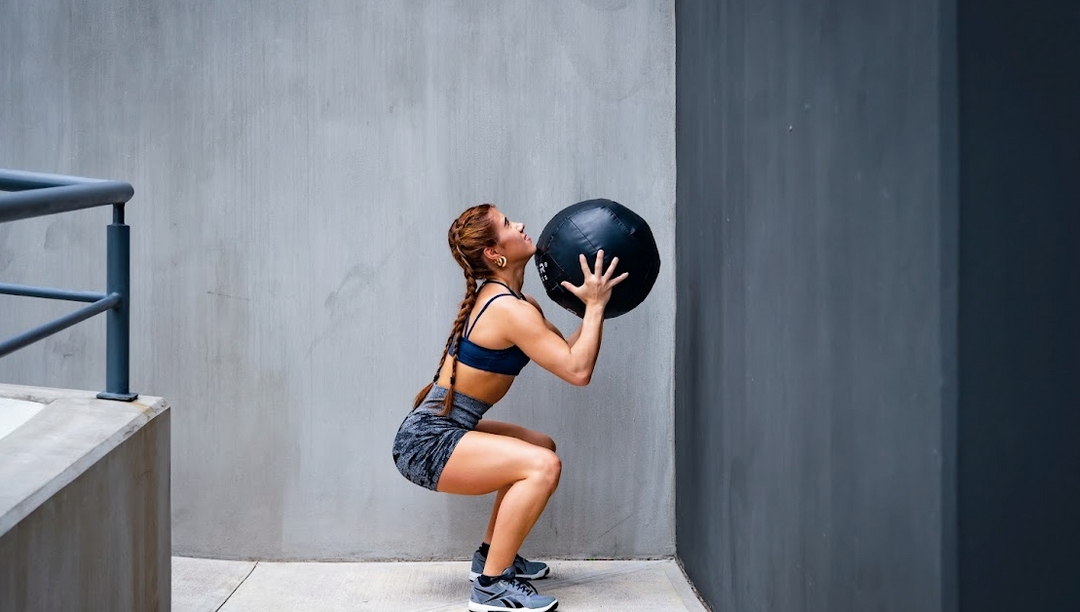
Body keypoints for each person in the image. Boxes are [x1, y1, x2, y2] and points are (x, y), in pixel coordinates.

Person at [392, 203, 627, 612]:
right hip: (426, 442)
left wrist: (595, 308)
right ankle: (490, 586)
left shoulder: (518, 302)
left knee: (542, 446)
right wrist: (594, 308)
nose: (519, 224)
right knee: (542, 467)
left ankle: (491, 556)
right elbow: (578, 371)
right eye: (506, 224)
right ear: (493, 253)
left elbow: (567, 353)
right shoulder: (506, 309)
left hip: (445, 426)